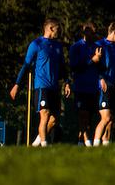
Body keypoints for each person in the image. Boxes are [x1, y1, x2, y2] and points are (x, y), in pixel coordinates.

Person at [10, 18, 70, 147]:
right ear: (51, 28)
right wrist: (17, 84)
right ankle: (44, 145)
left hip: (54, 87)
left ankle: (37, 141)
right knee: (45, 114)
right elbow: (26, 65)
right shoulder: (36, 44)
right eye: (58, 29)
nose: (59, 33)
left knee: (53, 120)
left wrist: (67, 82)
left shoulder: (58, 46)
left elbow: (62, 66)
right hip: (41, 86)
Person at [68, 22, 101, 146]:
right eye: (91, 32)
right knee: (83, 115)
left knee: (89, 119)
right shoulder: (76, 47)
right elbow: (74, 67)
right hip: (81, 87)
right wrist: (92, 60)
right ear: (85, 32)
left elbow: (101, 67)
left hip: (93, 88)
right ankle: (87, 143)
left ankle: (80, 142)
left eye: (95, 32)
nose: (93, 35)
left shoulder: (97, 47)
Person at [92, 21, 115, 146]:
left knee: (110, 120)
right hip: (103, 85)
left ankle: (106, 147)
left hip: (113, 86)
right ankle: (94, 145)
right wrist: (101, 78)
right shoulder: (99, 44)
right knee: (106, 118)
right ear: (114, 32)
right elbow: (95, 64)